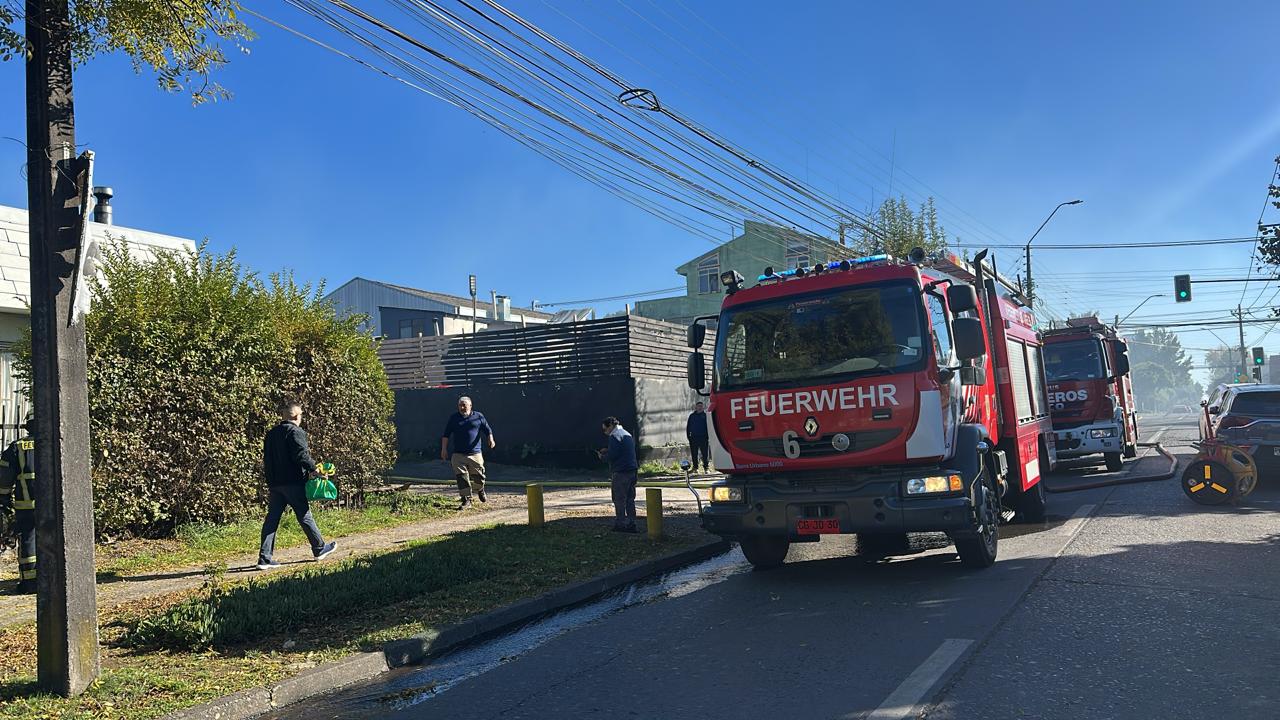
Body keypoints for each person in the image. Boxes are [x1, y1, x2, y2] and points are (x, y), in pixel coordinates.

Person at [257, 401, 336, 571]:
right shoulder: (296, 432)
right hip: (293, 482)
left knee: (272, 520)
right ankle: (319, 548)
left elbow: (267, 460)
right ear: (297, 416)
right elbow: (302, 455)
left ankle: (264, 559)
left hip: (275, 483)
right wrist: (315, 469)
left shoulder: (271, 434)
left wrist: (270, 480)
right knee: (304, 515)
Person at [0, 415, 37, 594]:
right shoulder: (55, 443)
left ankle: (30, 582)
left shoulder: (18, 447)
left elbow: (4, 476)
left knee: (29, 540)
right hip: (54, 507)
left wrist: (4, 499)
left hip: (26, 505)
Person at [441, 396, 495, 510]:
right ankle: (466, 499)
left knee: (479, 477)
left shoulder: (478, 416)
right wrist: (444, 449)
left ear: (470, 405)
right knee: (462, 477)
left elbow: (487, 430)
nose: (462, 407)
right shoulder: (454, 418)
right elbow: (446, 435)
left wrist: (491, 439)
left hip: (475, 454)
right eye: (460, 405)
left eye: (464, 405)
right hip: (458, 454)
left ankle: (480, 489)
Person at [598, 417, 639, 533]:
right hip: (632, 469)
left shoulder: (614, 436)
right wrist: (609, 450)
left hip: (621, 472)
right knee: (630, 499)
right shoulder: (626, 434)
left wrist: (603, 457)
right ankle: (632, 523)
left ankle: (620, 524)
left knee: (619, 499)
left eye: (605, 429)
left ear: (611, 425)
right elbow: (621, 451)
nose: (605, 432)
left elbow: (613, 455)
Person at [686, 402, 710, 474]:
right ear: (696, 407)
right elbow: (688, 427)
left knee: (705, 453)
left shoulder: (705, 416)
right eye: (698, 406)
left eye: (701, 406)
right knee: (694, 453)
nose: (700, 407)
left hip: (703, 437)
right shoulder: (692, 416)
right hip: (693, 438)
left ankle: (706, 468)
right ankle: (695, 468)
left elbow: (709, 427)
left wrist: (708, 436)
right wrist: (689, 436)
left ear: (703, 407)